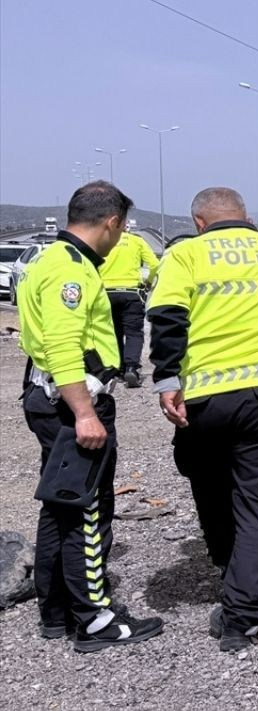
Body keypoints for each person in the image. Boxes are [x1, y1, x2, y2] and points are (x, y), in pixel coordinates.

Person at [147, 187, 258, 652]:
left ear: (200, 221)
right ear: (245, 216)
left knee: (207, 482)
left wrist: (167, 380)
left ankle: (229, 569)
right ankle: (242, 616)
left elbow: (166, 317)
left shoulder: (187, 253)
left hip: (205, 395)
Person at [17, 181, 164, 652]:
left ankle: (56, 611)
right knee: (88, 511)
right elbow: (63, 344)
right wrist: (84, 413)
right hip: (72, 401)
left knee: (59, 507)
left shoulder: (46, 258)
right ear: (112, 223)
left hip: (49, 396)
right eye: (121, 230)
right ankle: (95, 620)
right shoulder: (70, 270)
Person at [97, 229, 160, 387]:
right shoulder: (136, 241)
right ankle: (131, 368)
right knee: (133, 333)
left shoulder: (102, 241)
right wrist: (149, 281)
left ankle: (116, 368)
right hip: (131, 293)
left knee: (113, 332)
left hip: (106, 293)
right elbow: (155, 264)